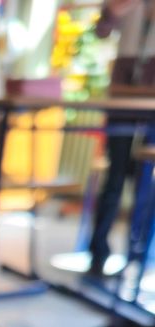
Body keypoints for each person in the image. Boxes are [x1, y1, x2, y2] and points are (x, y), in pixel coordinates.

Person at [89, 0, 155, 276]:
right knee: (114, 178)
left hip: (151, 97)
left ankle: (137, 255)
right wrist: (114, 11)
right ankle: (98, 253)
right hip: (122, 92)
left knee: (146, 180)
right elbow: (101, 31)